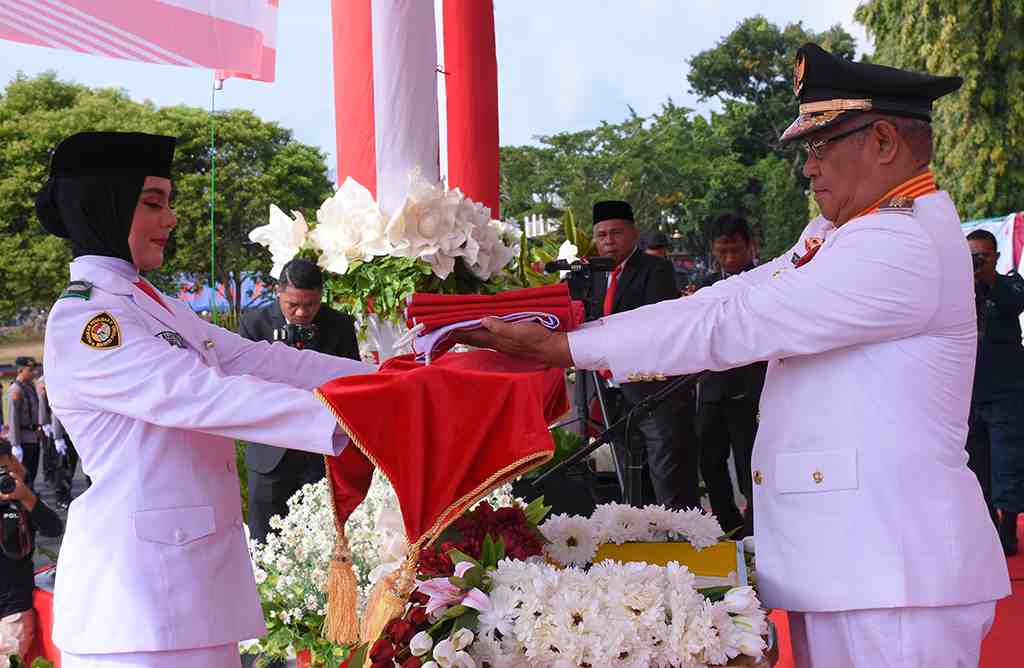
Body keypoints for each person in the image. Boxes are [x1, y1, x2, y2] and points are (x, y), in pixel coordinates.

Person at [459, 43, 1010, 667]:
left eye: (822, 145)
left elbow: (736, 323)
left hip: (893, 569)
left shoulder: (899, 242)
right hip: (856, 561)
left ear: (883, 140)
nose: (809, 167)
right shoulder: (839, 230)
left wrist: (571, 347)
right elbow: (722, 301)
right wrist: (582, 334)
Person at [38, 131, 375, 668]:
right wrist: (365, 418)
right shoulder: (88, 320)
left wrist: (387, 380)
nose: (170, 219)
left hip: (189, 593)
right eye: (153, 203)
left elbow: (264, 361)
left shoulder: (154, 305)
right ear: (103, 205)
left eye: (169, 203)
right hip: (137, 605)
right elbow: (204, 396)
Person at [575, 200, 700, 509]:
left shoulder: (655, 269)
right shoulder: (591, 275)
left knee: (666, 475)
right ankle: (638, 539)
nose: (608, 241)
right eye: (601, 234)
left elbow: (650, 324)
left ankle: (678, 542)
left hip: (653, 391)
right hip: (611, 395)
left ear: (634, 235)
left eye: (616, 233)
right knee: (628, 475)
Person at [239, 257, 361, 545]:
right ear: (278, 292)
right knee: (265, 545)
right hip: (270, 455)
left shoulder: (339, 325)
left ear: (321, 296)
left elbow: (351, 383)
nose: (301, 312)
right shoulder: (253, 323)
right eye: (292, 304)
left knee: (320, 544)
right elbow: (243, 384)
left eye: (310, 304)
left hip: (319, 456)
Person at [694, 215, 766, 537]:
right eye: (723, 252)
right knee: (709, 461)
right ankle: (727, 523)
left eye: (736, 250)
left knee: (749, 463)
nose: (730, 258)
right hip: (711, 387)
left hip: (749, 389)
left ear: (751, 247)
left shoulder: (767, 280)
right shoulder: (706, 284)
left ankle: (755, 528)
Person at [965, 228, 1024, 556]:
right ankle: (988, 527)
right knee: (976, 469)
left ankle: (1007, 529)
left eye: (981, 256)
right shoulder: (959, 291)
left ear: (995, 257)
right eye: (970, 256)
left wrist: (988, 278)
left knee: (1009, 464)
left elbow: (1015, 301)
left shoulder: (1009, 284)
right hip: (970, 396)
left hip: (1007, 394)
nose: (975, 262)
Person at [0, 438, 64, 663]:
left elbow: (54, 528)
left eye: (3, 469)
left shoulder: (24, 499)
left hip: (12, 610)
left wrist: (26, 497)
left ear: (13, 463)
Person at [6, 357, 42, 490]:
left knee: (32, 472)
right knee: (23, 474)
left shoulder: (30, 387)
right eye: (30, 370)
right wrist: (15, 444)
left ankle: (30, 496)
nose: (35, 373)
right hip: (24, 439)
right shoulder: (16, 390)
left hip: (33, 438)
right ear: (20, 370)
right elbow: (13, 418)